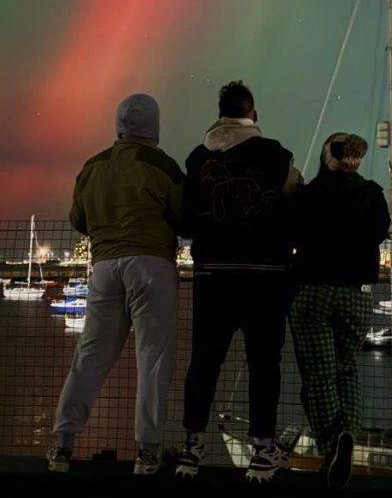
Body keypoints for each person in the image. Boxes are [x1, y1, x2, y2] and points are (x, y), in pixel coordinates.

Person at [48, 93, 186, 476]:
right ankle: (147, 451)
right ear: (154, 126)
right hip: (151, 265)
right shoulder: (162, 165)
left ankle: (62, 444)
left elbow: (78, 218)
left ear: (118, 125)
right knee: (153, 358)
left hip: (105, 266)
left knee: (89, 357)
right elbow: (184, 217)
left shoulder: (93, 166)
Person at [176, 80, 301, 483]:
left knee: (204, 360)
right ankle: (263, 451)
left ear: (219, 114)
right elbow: (294, 204)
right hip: (266, 276)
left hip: (212, 275)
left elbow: (186, 219)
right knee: (264, 363)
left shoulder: (197, 159)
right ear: (254, 114)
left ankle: (191, 448)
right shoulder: (276, 155)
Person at [288, 132, 391, 491]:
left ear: (326, 157)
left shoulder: (310, 194)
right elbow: (380, 231)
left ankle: (333, 446)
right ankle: (347, 433)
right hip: (357, 296)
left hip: (314, 292)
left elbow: (293, 233)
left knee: (319, 375)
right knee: (346, 368)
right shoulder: (372, 193)